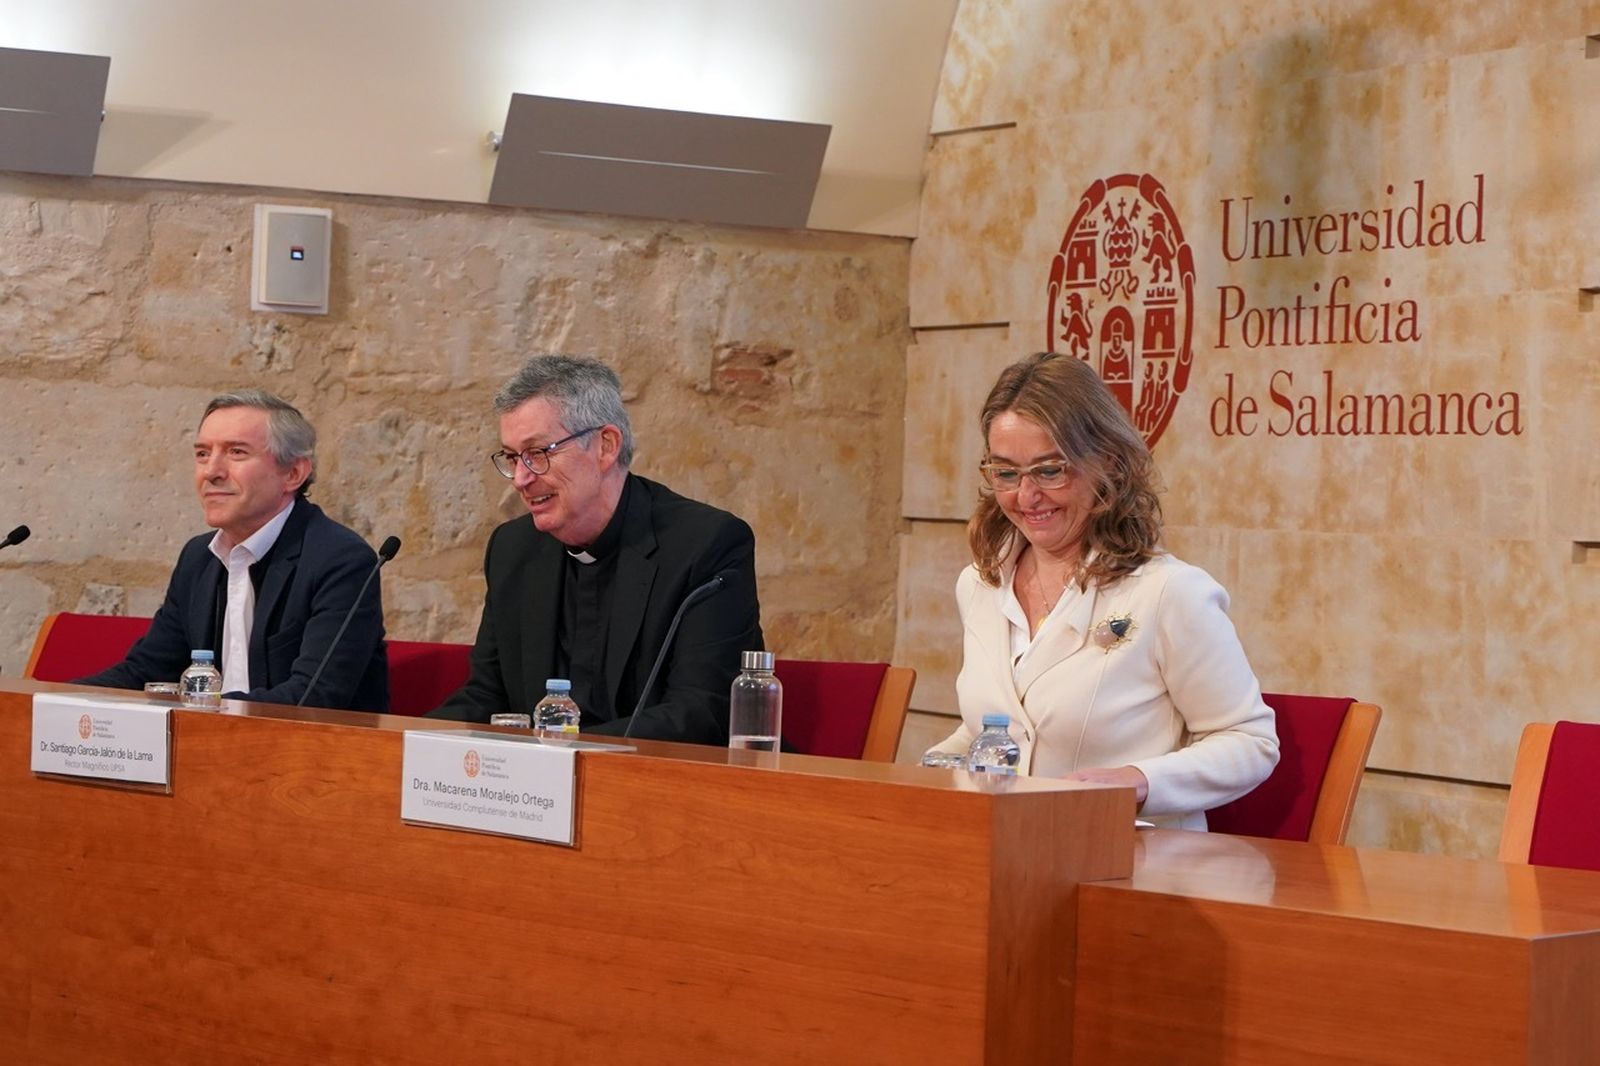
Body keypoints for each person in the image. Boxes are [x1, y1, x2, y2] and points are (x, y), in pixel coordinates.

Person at [925, 352, 1278, 829]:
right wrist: (929, 771)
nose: (1026, 497)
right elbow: (996, 729)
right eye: (1006, 473)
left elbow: (1250, 743)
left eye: (1050, 471)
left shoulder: (1169, 593)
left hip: (1132, 866)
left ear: (1106, 464)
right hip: (1005, 854)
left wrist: (1137, 781)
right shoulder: (979, 584)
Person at [428, 354, 762, 743]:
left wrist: (567, 756)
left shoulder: (705, 545)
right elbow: (488, 696)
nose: (520, 479)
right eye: (512, 457)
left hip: (661, 786)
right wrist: (409, 744)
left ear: (605, 446)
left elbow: (702, 711)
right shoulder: (513, 549)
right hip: (537, 791)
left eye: (537, 454)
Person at [77, 390, 388, 710]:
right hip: (210, 745)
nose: (211, 471)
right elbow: (146, 672)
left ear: (293, 473)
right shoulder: (199, 557)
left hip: (312, 752)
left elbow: (313, 697)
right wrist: (48, 698)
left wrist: (206, 713)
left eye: (236, 452)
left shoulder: (340, 560)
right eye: (202, 454)